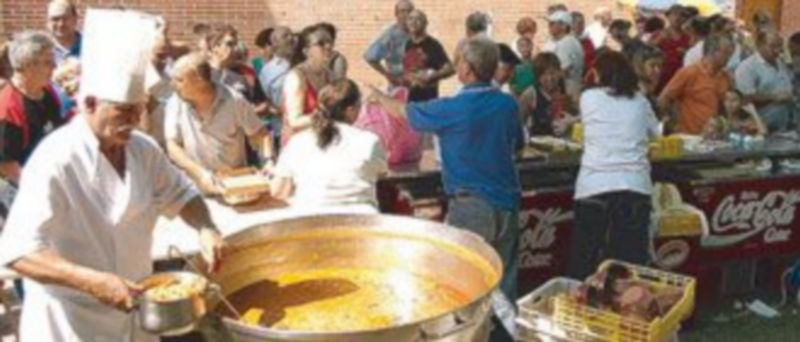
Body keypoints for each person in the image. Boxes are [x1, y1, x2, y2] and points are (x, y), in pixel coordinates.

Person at [0, 11, 225, 341]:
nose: (134, 120)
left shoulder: (143, 150)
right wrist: (91, 281)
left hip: (138, 313)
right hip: (71, 321)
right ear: (90, 103)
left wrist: (206, 227)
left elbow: (182, 194)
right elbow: (18, 251)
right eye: (123, 110)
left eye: (139, 109)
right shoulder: (56, 158)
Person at [367, 37, 524, 304]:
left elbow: (406, 113)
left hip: (472, 206)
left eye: (459, 60)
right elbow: (517, 147)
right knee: (504, 287)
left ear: (467, 69)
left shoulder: (453, 108)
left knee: (468, 287)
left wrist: (380, 98)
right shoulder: (507, 104)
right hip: (508, 204)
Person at [568, 50, 659, 279]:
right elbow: (655, 133)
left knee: (585, 259)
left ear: (600, 74)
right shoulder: (640, 101)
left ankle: (580, 307)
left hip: (593, 186)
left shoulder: (588, 98)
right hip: (634, 187)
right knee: (629, 267)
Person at [271, 79, 387, 214]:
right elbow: (381, 173)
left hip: (310, 223)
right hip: (361, 223)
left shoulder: (297, 142)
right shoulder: (369, 141)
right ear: (350, 110)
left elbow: (278, 191)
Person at [164, 53, 273, 195]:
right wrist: (201, 173)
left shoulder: (234, 100)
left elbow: (261, 134)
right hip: (194, 189)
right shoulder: (175, 102)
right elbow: (172, 146)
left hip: (234, 186)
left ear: (200, 80)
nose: (172, 85)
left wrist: (268, 161)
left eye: (179, 80)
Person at [0, 32, 64, 189]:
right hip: (23, 189)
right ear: (28, 65)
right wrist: (38, 190)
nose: (55, 66)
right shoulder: (8, 107)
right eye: (48, 62)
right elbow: (7, 166)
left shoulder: (48, 92)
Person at [659, 34, 734, 135]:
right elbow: (664, 98)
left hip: (714, 138)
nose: (729, 57)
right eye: (726, 52)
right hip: (689, 136)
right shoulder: (689, 72)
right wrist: (672, 125)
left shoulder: (725, 77)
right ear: (712, 52)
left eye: (730, 53)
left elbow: (726, 107)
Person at [281, 24, 334, 147]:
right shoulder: (296, 77)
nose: (328, 46)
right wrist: (328, 116)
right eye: (321, 43)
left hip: (321, 143)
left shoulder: (329, 75)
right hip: (298, 146)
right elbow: (294, 121)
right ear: (306, 51)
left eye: (330, 42)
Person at [735, 30, 794, 133]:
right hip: (760, 125)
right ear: (759, 45)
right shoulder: (748, 67)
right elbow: (745, 99)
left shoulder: (780, 63)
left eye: (779, 46)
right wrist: (774, 97)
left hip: (783, 124)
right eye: (772, 46)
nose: (777, 50)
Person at [402, 9, 454, 102]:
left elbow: (450, 69)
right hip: (410, 101)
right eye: (410, 19)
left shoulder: (433, 45)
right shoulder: (408, 44)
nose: (413, 22)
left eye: (418, 19)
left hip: (428, 101)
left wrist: (433, 76)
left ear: (425, 24)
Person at [523, 52, 577, 137]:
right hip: (538, 145)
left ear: (559, 72)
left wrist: (571, 121)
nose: (549, 78)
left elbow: (585, 116)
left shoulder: (570, 91)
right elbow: (519, 122)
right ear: (537, 76)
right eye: (544, 74)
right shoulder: (530, 93)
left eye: (553, 73)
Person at [364, 0, 414, 87]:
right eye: (402, 11)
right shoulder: (390, 36)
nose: (406, 14)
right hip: (400, 87)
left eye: (409, 11)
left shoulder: (418, 33)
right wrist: (389, 76)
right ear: (396, 14)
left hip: (419, 87)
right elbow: (370, 57)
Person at [543, 10, 584, 103]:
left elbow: (563, 70)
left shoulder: (567, 42)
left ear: (564, 26)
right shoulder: (557, 41)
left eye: (552, 23)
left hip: (566, 91)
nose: (549, 26)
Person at [651, 5, 691, 90]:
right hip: (663, 78)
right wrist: (658, 40)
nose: (678, 17)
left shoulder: (688, 36)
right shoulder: (658, 34)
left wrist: (686, 53)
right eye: (674, 14)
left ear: (685, 19)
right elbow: (646, 51)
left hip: (683, 78)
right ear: (668, 16)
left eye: (682, 15)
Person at [632, 46, 664, 111]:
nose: (658, 70)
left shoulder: (650, 88)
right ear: (640, 66)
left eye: (660, 65)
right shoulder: (638, 92)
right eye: (652, 65)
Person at [571, 11, 596, 77]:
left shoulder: (587, 41)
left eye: (583, 23)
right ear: (571, 24)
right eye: (579, 23)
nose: (582, 26)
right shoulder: (567, 42)